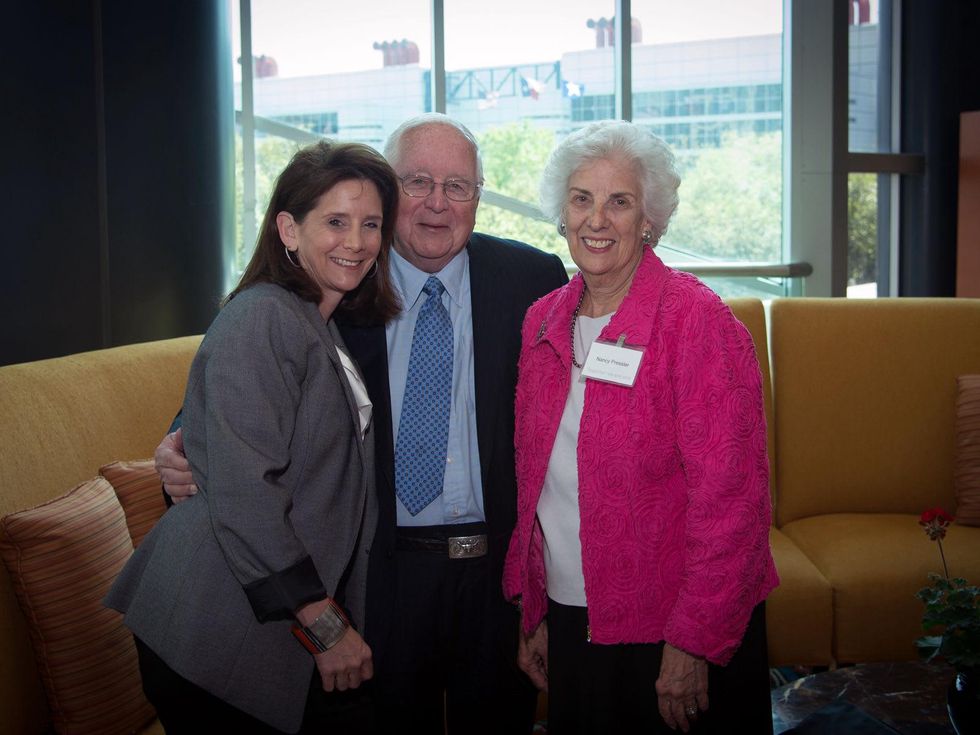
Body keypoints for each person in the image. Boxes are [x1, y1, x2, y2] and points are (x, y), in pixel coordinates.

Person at [154, 114, 569, 734]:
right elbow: (236, 381)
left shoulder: (533, 280)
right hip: (380, 577)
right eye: (417, 182)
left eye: (458, 186)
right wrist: (178, 444)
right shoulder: (339, 281)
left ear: (479, 197)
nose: (436, 203)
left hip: (495, 581)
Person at [106, 140, 402, 734]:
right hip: (213, 627)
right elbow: (247, 491)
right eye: (336, 222)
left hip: (262, 623)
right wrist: (326, 625)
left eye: (370, 224)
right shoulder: (263, 316)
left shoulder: (316, 321)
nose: (356, 241)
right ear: (288, 230)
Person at [502, 120, 780, 734]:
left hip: (670, 628)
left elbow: (733, 503)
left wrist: (695, 640)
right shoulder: (542, 320)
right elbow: (537, 485)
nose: (597, 219)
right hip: (573, 617)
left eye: (619, 202)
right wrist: (536, 610)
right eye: (582, 199)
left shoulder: (696, 321)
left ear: (649, 218)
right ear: (561, 211)